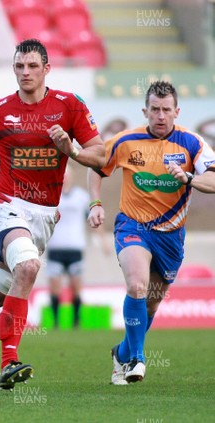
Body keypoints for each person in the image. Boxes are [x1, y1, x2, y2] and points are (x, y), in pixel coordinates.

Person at [0, 38, 105, 389]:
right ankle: (9, 360)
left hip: (44, 214)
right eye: (19, 66)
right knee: (29, 267)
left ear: (47, 68)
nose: (25, 72)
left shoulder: (70, 107)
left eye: (32, 66)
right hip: (6, 206)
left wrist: (71, 150)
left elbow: (101, 157)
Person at [87, 80, 215, 385]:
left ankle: (122, 353)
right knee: (137, 285)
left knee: (152, 303)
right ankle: (137, 360)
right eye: (154, 109)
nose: (160, 115)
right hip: (133, 226)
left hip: (171, 237)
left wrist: (187, 178)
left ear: (176, 111)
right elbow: (96, 168)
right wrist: (95, 203)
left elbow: (212, 180)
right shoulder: (126, 141)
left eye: (166, 110)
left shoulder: (192, 143)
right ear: (145, 111)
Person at [45, 164, 89, 329]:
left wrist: (103, 241)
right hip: (55, 247)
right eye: (62, 174)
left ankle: (75, 321)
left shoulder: (82, 196)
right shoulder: (51, 196)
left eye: (66, 174)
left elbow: (91, 218)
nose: (64, 177)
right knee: (55, 287)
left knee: (76, 286)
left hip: (75, 247)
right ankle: (56, 322)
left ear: (71, 176)